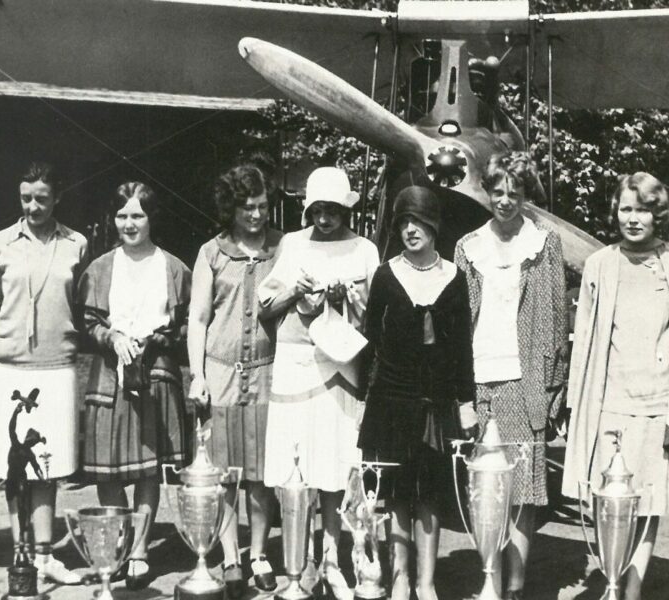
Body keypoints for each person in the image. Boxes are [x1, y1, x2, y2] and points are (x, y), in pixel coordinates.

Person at [561, 173, 669, 600]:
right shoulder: (600, 263)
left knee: (649, 502)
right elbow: (583, 338)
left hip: (659, 404)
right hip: (610, 404)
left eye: (642, 209)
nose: (633, 219)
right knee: (609, 499)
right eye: (625, 209)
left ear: (659, 214)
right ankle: (611, 579)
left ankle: (630, 588)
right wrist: (573, 400)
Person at [258, 166, 379, 599]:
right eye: (317, 210)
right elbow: (266, 306)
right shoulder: (291, 244)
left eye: (332, 210)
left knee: (336, 462)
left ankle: (333, 556)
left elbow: (376, 313)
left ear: (346, 209)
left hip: (342, 363)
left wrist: (349, 295)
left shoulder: (365, 249)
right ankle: (301, 560)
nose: (324, 219)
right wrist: (296, 289)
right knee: (298, 464)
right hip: (296, 361)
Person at [454, 152, 568, 600]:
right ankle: (490, 581)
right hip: (481, 379)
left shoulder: (545, 242)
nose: (504, 201)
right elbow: (457, 320)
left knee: (523, 490)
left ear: (526, 196)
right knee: (486, 487)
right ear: (486, 191)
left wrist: (554, 385)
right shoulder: (467, 247)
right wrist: (460, 391)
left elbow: (558, 316)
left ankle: (516, 586)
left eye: (514, 194)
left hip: (526, 380)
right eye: (497, 191)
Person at [358, 186, 478, 600]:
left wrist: (467, 404)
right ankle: (400, 579)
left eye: (419, 222)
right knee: (394, 496)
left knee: (430, 496)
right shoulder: (386, 275)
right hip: (391, 400)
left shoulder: (455, 277)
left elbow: (463, 347)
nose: (411, 230)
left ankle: (426, 583)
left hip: (436, 403)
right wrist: (362, 400)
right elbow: (371, 339)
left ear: (433, 226)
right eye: (404, 223)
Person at [78, 182, 192, 589]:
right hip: (111, 375)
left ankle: (140, 550)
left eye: (138, 215)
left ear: (151, 218)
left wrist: (157, 340)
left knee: (147, 466)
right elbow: (88, 321)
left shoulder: (174, 268)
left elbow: (185, 327)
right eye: (123, 215)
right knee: (107, 469)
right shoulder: (100, 268)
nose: (129, 223)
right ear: (114, 219)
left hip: (156, 373)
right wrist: (113, 338)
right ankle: (120, 544)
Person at [0, 162, 87, 585]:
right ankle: (20, 553)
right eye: (26, 197)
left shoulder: (76, 243)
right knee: (14, 468)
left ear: (57, 197)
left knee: (47, 463)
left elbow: (81, 304)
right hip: (9, 371)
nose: (33, 206)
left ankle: (45, 556)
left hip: (57, 369)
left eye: (42, 198)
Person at [186, 164, 283, 596]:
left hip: (268, 373)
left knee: (261, 475)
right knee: (224, 474)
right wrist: (197, 376)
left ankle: (259, 553)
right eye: (247, 207)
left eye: (262, 206)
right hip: (221, 374)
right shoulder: (212, 252)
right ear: (232, 207)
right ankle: (229, 555)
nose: (256, 215)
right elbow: (199, 318)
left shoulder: (284, 248)